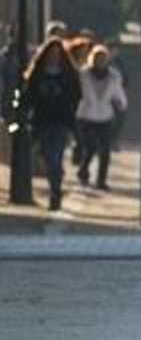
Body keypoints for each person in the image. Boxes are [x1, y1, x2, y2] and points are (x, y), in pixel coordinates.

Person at [20, 36, 81, 211]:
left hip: (61, 121)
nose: (54, 57)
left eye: (57, 53)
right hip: (42, 120)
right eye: (51, 53)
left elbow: (76, 94)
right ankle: (55, 181)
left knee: (56, 155)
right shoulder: (38, 73)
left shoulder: (68, 74)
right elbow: (29, 95)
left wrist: (68, 106)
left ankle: (56, 190)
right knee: (47, 157)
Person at [75, 45, 127, 190]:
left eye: (104, 59)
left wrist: (122, 105)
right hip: (86, 116)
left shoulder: (114, 76)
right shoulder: (84, 74)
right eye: (98, 58)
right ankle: (83, 171)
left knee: (105, 151)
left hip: (105, 116)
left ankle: (101, 180)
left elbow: (119, 93)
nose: (101, 61)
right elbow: (77, 92)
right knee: (89, 147)